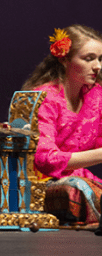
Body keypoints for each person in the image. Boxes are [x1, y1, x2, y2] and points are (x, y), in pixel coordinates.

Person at [23, 25, 102, 227]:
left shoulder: (96, 96)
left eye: (100, 59)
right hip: (41, 184)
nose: (97, 66)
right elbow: (46, 160)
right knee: (74, 190)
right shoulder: (45, 98)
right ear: (64, 59)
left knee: (82, 187)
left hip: (82, 179)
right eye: (88, 58)